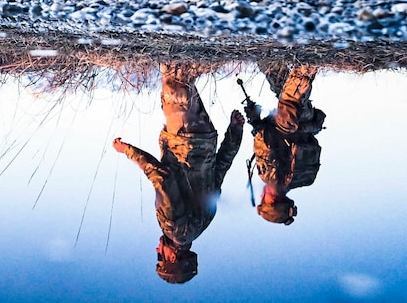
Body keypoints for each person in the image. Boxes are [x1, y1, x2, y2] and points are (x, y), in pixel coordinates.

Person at [113, 63, 244, 284]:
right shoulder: (175, 229)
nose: (157, 249)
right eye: (159, 255)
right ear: (172, 257)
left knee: (183, 72)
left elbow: (221, 167)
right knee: (174, 72)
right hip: (183, 140)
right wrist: (128, 151)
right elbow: (163, 179)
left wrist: (235, 132)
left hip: (204, 137)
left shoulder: (204, 222)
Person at [243, 63, 324, 226]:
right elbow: (263, 142)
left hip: (307, 119)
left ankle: (275, 53)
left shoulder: (303, 179)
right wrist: (255, 120)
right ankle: (310, 57)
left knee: (279, 80)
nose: (260, 196)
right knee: (300, 74)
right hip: (289, 116)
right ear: (272, 200)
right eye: (263, 200)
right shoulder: (271, 178)